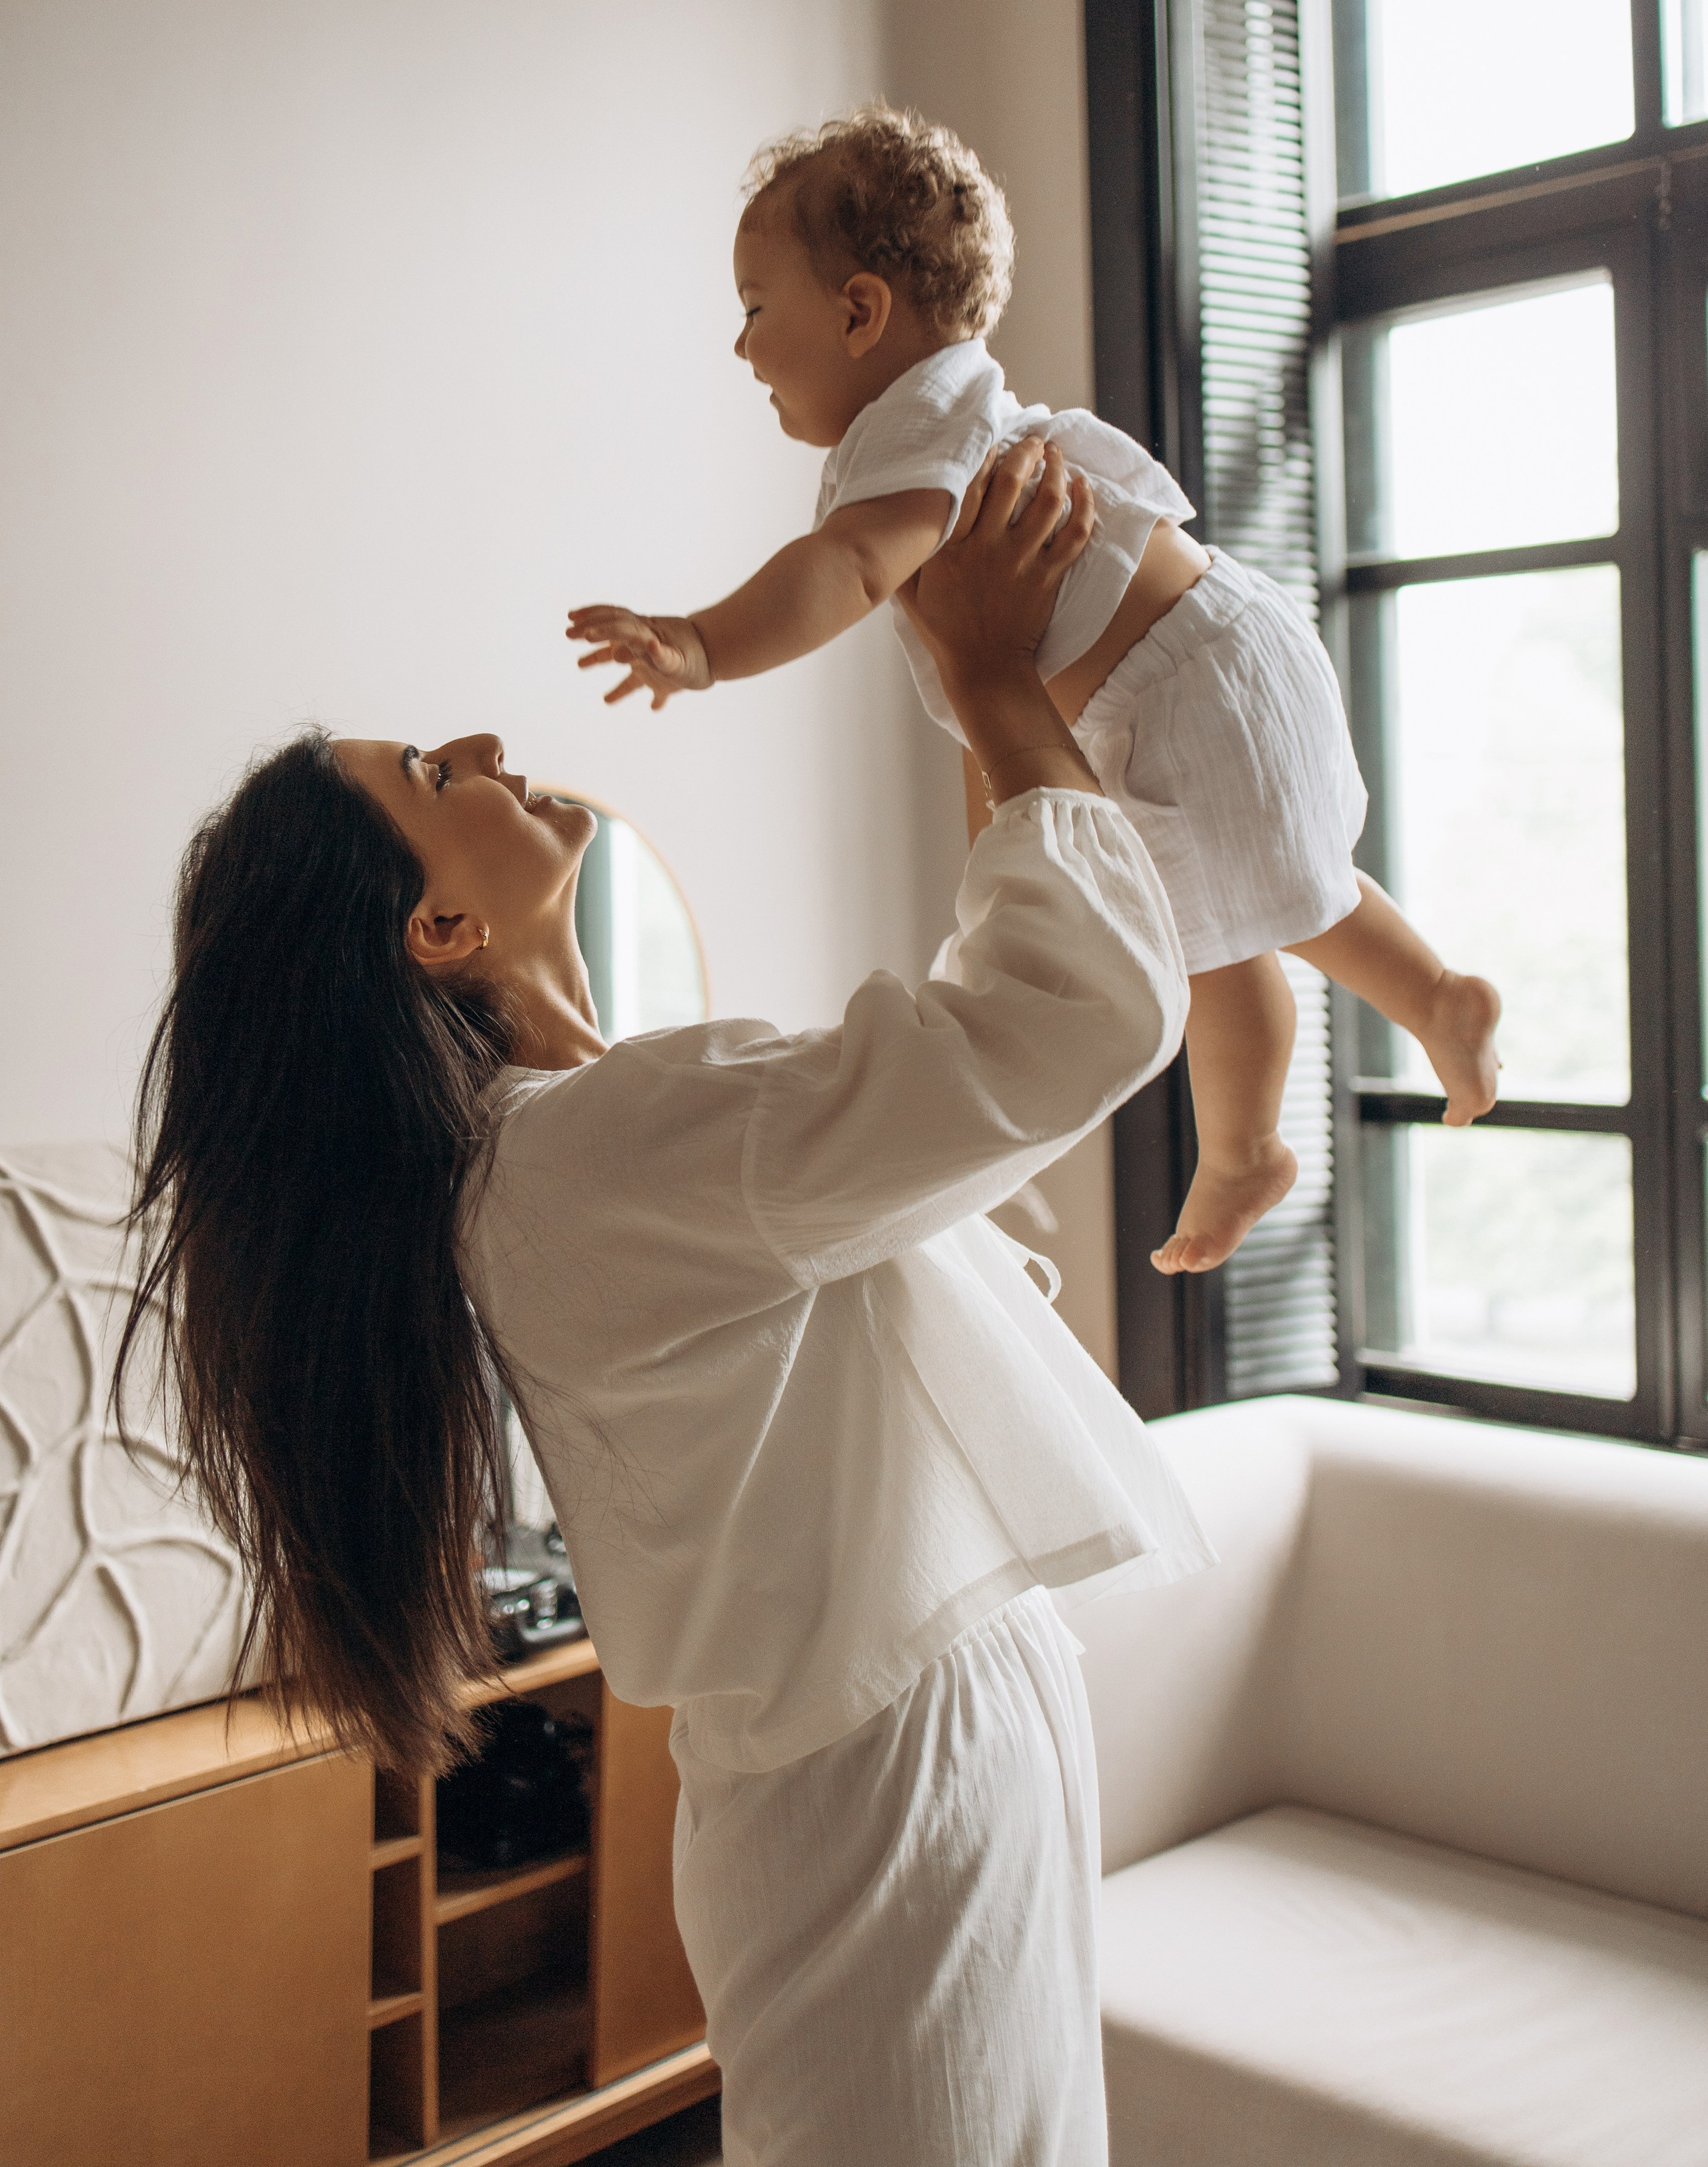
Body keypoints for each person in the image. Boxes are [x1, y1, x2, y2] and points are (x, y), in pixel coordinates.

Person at [121, 440, 1212, 2167]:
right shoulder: (581, 1158)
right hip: (884, 1765)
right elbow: (1060, 1026)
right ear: (439, 927)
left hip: (901, 1738)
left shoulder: (584, 1135)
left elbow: (954, 1090)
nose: (487, 746)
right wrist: (993, 683)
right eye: (432, 772)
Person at [566, 103, 1502, 1276]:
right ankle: (1434, 998)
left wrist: (703, 644)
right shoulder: (950, 415)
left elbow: (847, 571)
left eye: (757, 309)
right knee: (1290, 885)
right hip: (1217, 651)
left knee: (1212, 933)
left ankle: (1247, 1146)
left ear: (860, 312)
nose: (742, 348)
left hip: (1183, 685)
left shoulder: (914, 435)